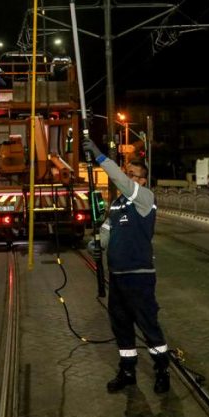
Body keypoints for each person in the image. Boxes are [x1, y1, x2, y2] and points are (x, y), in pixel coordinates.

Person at [82, 136, 170, 394]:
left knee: (148, 325)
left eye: (133, 175)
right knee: (121, 326)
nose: (128, 177)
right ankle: (128, 369)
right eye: (127, 173)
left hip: (139, 277)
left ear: (143, 181)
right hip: (118, 277)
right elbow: (106, 232)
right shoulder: (117, 204)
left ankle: (162, 369)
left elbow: (120, 181)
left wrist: (100, 156)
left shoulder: (145, 199)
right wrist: (96, 245)